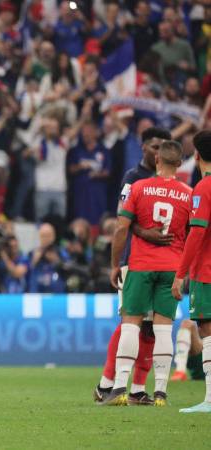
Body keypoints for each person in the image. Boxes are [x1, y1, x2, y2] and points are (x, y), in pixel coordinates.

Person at [103, 140, 192, 406]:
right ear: (179, 164)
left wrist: (115, 264)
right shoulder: (188, 194)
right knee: (164, 329)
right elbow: (193, 234)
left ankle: (119, 388)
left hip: (141, 265)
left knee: (131, 323)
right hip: (171, 267)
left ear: (157, 161)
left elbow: (121, 228)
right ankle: (161, 393)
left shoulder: (138, 188)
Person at [93, 126, 172, 405]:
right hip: (134, 259)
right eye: (154, 146)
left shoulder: (170, 182)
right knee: (130, 322)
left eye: (163, 146)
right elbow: (122, 219)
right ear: (143, 148)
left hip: (160, 263)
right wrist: (145, 234)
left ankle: (138, 388)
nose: (158, 151)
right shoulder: (133, 178)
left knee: (150, 328)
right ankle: (106, 384)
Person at [172, 129, 211, 413]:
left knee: (207, 329)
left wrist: (180, 273)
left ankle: (210, 399)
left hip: (206, 272)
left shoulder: (203, 188)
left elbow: (196, 234)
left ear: (196, 155)